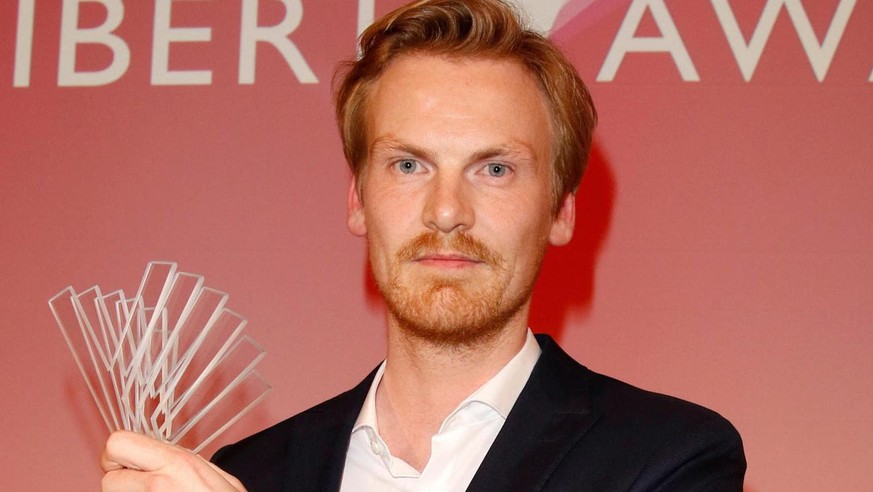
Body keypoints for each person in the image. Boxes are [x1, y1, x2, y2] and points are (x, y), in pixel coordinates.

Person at [101, 0, 746, 490]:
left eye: (494, 169)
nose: (446, 212)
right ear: (358, 200)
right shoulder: (251, 472)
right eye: (409, 166)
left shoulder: (669, 459)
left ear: (560, 210)